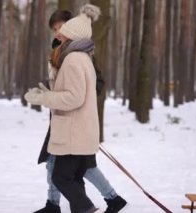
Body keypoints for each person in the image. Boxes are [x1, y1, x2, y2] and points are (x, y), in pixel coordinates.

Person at [25, 4, 126, 213]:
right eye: (54, 30)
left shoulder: (75, 58)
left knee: (67, 175)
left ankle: (102, 202)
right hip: (69, 124)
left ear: (71, 29)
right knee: (68, 172)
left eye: (61, 28)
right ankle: (60, 206)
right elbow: (68, 88)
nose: (58, 33)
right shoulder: (69, 55)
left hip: (75, 126)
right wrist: (49, 91)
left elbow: (76, 95)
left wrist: (45, 97)